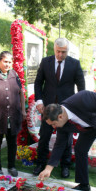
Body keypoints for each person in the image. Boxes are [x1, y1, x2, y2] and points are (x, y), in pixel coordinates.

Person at [33, 38, 85, 178]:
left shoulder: (74, 64)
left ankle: (65, 165)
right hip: (47, 109)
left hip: (66, 109)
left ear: (68, 51)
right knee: (44, 137)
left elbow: (81, 87)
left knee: (66, 138)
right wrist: (39, 101)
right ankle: (40, 163)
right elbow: (38, 82)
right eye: (58, 51)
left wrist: (78, 106)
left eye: (64, 52)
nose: (61, 55)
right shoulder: (46, 62)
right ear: (54, 49)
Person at [0, 51, 26, 177]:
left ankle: (11, 166)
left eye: (10, 62)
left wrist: (23, 110)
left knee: (12, 143)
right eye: (5, 61)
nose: (7, 64)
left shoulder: (14, 74)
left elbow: (21, 92)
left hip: (13, 115)